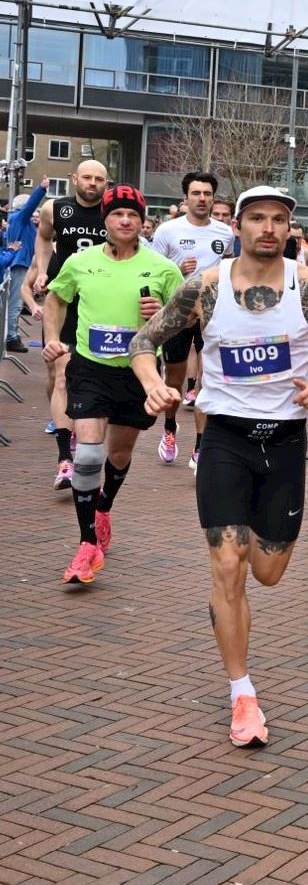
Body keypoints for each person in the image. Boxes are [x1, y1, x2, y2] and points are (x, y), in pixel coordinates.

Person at [129, 185, 308, 747]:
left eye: (278, 219)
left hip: (283, 443)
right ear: (239, 225)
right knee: (228, 565)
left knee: (267, 572)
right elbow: (144, 339)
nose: (267, 228)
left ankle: (244, 665)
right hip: (225, 439)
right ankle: (242, 693)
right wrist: (156, 384)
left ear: (290, 228)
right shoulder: (205, 287)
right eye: (257, 218)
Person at [42, 185, 182, 584]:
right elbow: (56, 299)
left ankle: (103, 507)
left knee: (118, 455)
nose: (125, 221)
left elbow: (183, 322)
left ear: (142, 222)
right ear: (105, 220)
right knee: (86, 456)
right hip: (89, 368)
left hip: (136, 374)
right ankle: (86, 543)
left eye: (133, 215)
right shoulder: (80, 262)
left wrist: (162, 314)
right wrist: (53, 338)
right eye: (117, 214)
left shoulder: (162, 270)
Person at [32, 158, 110, 490]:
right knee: (58, 374)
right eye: (88, 178)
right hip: (64, 297)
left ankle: (75, 433)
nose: (93, 184)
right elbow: (43, 238)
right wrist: (42, 270)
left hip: (100, 299)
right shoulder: (55, 208)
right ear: (74, 179)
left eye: (100, 179)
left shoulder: (112, 211)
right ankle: (65, 456)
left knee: (81, 373)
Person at [150, 171, 235, 469]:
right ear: (185, 197)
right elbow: (152, 272)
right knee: (173, 380)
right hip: (178, 312)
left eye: (207, 194)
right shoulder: (167, 231)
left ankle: (200, 448)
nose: (202, 199)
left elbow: (229, 269)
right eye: (196, 193)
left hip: (213, 314)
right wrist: (176, 267)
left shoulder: (224, 233)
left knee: (208, 379)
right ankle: (170, 428)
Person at [1, 177, 47, 350]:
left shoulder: (16, 220)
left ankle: (10, 334)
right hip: (20, 264)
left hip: (19, 262)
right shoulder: (20, 217)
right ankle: (11, 337)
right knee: (15, 302)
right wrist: (41, 189)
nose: (35, 214)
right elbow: (30, 206)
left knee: (14, 302)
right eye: (33, 211)